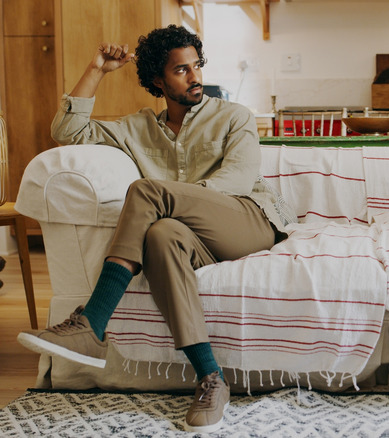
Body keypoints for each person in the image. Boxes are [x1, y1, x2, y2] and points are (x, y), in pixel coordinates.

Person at [17, 25, 294, 433]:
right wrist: (96, 69)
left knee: (149, 194)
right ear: (158, 81)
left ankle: (93, 322)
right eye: (181, 70)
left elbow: (234, 183)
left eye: (197, 66)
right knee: (160, 235)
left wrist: (170, 197)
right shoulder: (136, 129)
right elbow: (67, 133)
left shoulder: (234, 117)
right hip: (188, 235)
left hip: (246, 220)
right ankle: (211, 378)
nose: (195, 76)